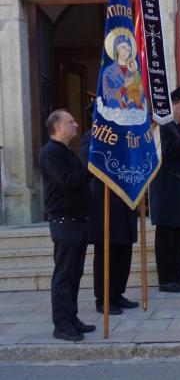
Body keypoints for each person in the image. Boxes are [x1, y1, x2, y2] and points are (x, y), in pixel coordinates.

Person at [39, 109, 95, 341]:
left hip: (77, 220)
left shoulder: (65, 151)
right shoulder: (50, 153)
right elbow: (67, 181)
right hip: (64, 222)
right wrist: (90, 171)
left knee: (74, 273)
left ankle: (71, 317)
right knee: (64, 274)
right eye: (70, 122)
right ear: (58, 126)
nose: (76, 124)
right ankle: (62, 325)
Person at [80, 107, 139, 314]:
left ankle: (118, 293)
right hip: (104, 204)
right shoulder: (91, 138)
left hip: (125, 201)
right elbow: (88, 166)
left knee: (124, 250)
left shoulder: (125, 137)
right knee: (107, 253)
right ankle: (104, 298)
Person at [149, 87, 180, 292]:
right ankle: (166, 279)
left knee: (179, 236)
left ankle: (178, 275)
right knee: (166, 238)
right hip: (166, 189)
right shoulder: (162, 126)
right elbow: (166, 153)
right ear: (172, 105)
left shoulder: (178, 127)